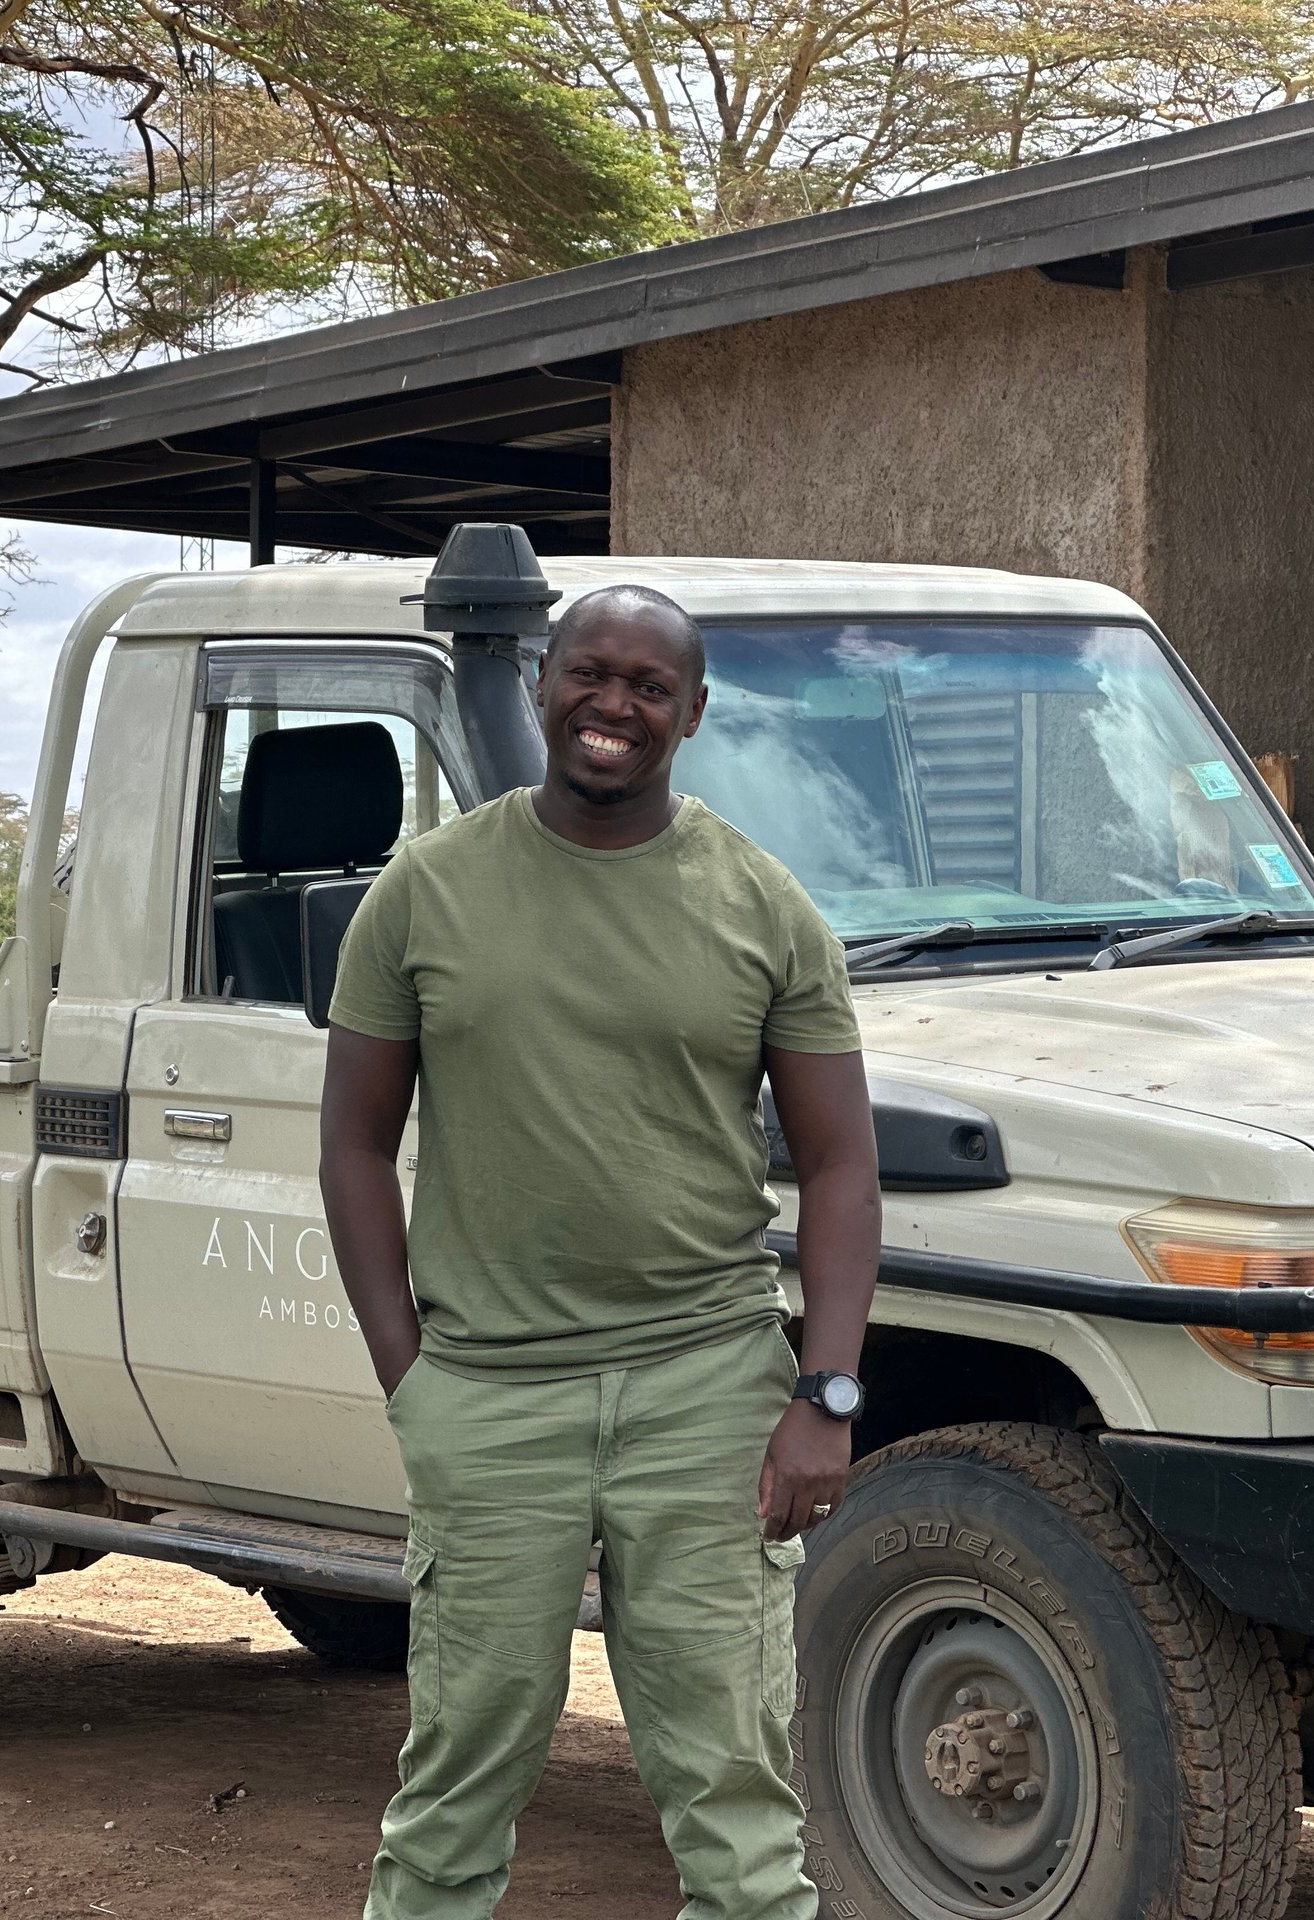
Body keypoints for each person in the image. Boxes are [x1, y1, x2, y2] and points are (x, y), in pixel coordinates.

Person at [319, 582, 881, 1920]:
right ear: (541, 685)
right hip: (491, 1397)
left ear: (693, 712)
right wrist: (417, 1379)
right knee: (454, 1796)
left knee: (740, 1821)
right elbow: (351, 1143)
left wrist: (826, 1395)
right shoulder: (428, 890)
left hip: (709, 1393)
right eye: (589, 671)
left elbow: (843, 1164)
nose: (612, 702)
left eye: (646, 682)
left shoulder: (764, 907)